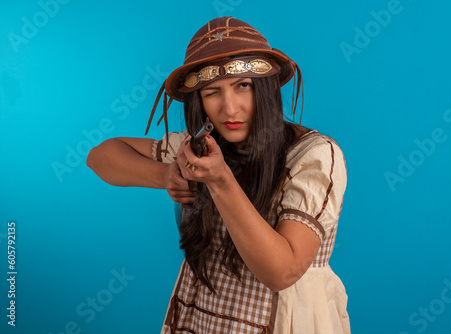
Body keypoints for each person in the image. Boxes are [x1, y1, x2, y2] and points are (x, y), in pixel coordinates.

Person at [87, 16, 350, 334]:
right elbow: (100, 156)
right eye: (212, 92)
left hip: (283, 321)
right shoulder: (199, 148)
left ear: (265, 89)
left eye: (243, 86)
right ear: (199, 102)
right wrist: (167, 175)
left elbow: (282, 272)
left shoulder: (313, 155)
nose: (230, 108)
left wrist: (221, 181)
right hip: (199, 320)